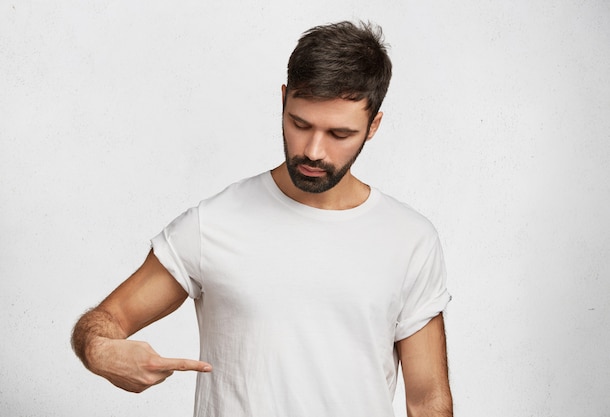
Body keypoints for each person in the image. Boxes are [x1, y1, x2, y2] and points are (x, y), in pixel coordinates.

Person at [72, 20, 453, 417]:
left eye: (339, 134)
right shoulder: (214, 223)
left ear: (373, 125)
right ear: (284, 100)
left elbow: (427, 400)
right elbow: (104, 321)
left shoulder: (409, 239)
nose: (314, 151)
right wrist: (100, 352)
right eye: (300, 124)